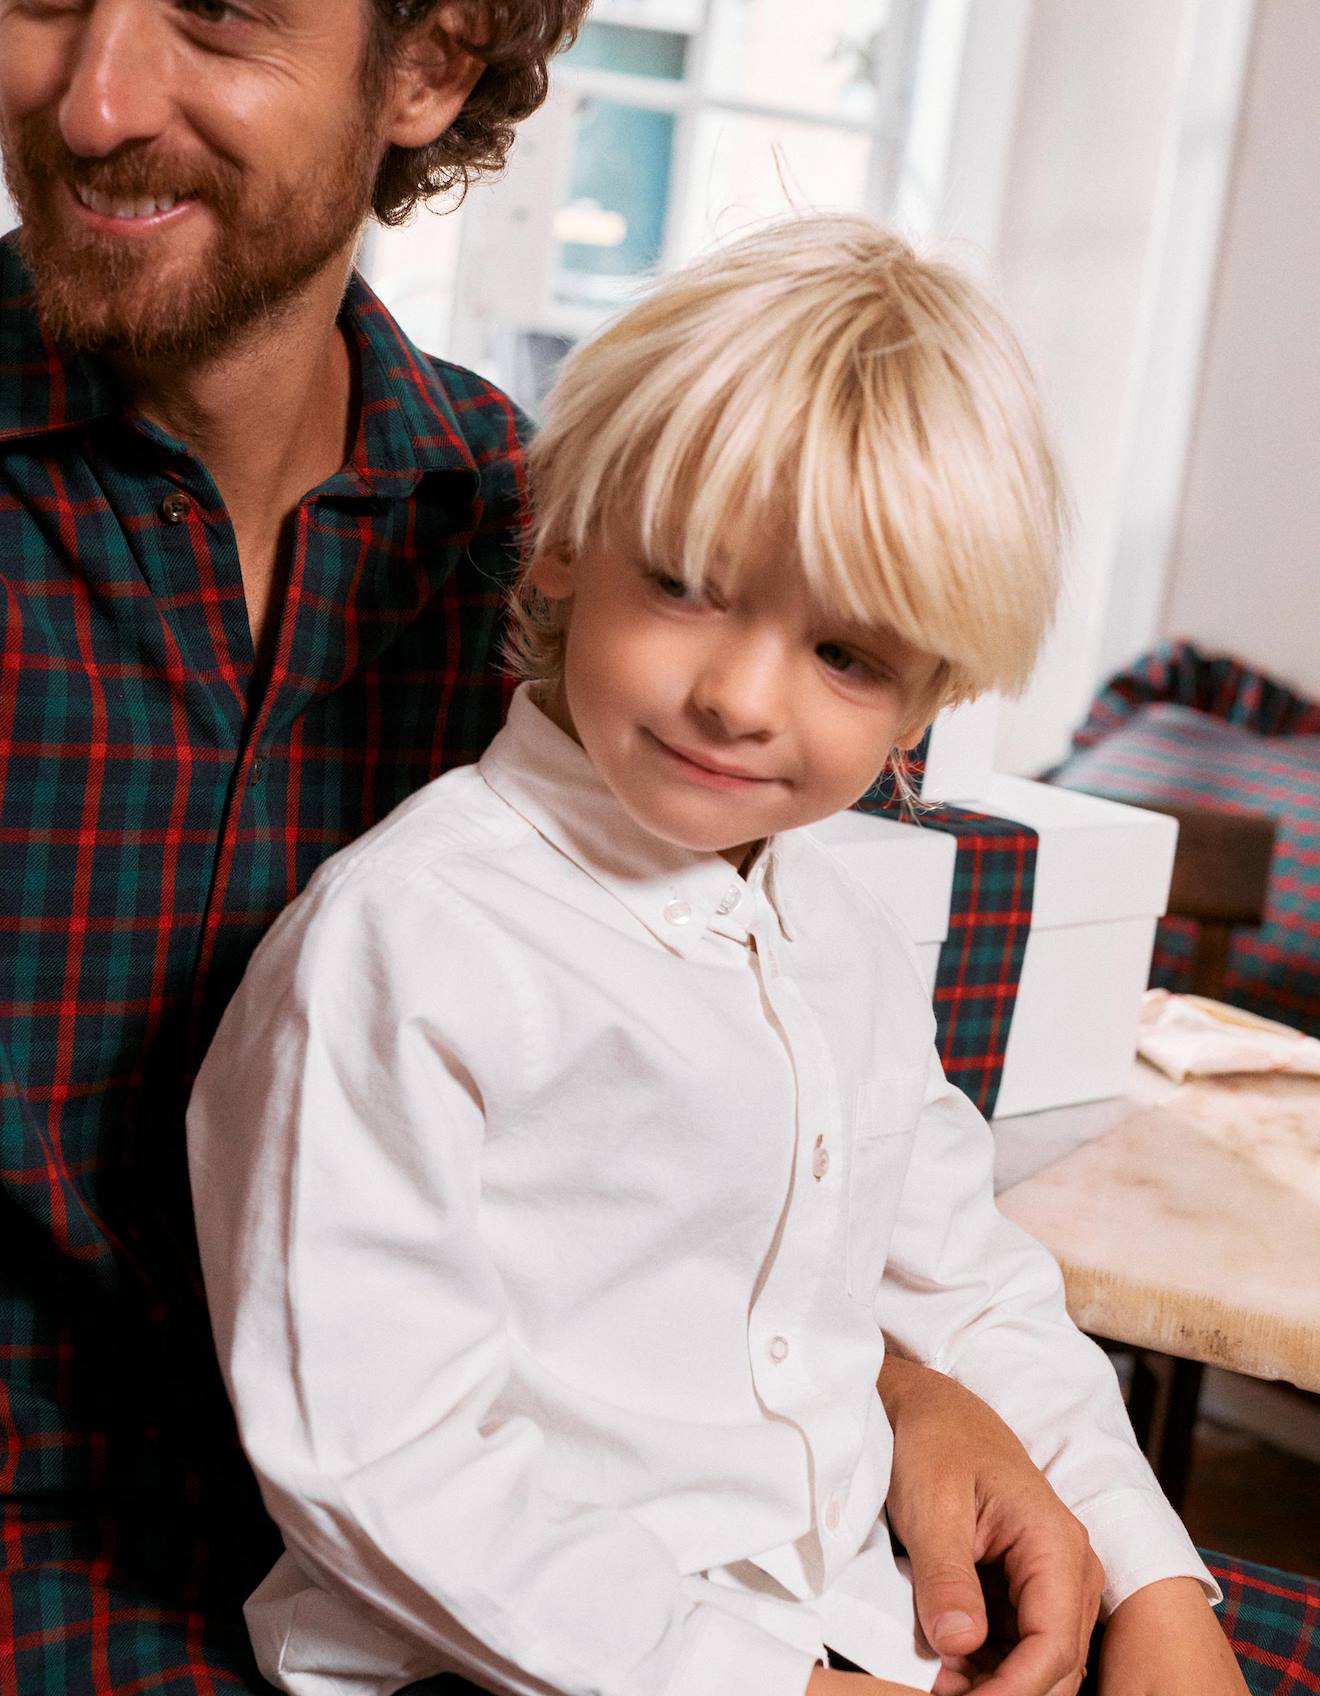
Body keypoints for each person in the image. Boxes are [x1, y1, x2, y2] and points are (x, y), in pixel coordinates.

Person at [0, 4, 1123, 1693]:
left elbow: (791, 1173)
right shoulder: (590, 637)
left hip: (641, 1575)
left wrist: (896, 1388)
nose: (93, 99)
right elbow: (387, 1439)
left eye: (221, 12)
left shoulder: (571, 536)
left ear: (434, 61)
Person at [186, 215, 1251, 1696]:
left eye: (847, 655)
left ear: (925, 696)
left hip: (842, 1616)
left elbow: (963, 1283)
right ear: (565, 543)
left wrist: (1156, 1583)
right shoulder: (406, 945)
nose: (743, 698)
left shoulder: (845, 936)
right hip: (493, 1664)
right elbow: (382, 1456)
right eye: (687, 584)